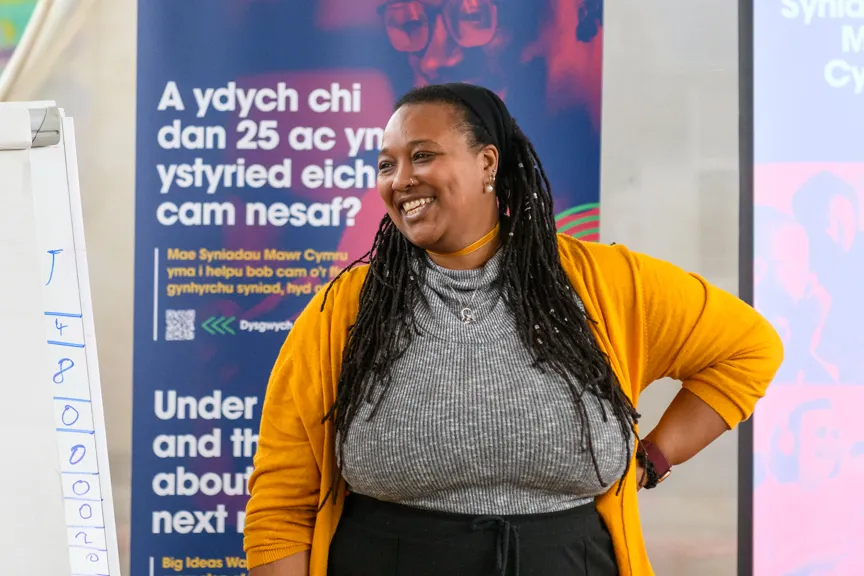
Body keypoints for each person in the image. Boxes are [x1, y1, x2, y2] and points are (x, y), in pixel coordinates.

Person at [243, 82, 783, 575]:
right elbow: (281, 503)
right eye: (387, 164)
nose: (401, 179)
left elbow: (748, 348)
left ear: (487, 163)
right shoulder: (344, 310)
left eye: (423, 155)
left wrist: (652, 459)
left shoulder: (606, 284)